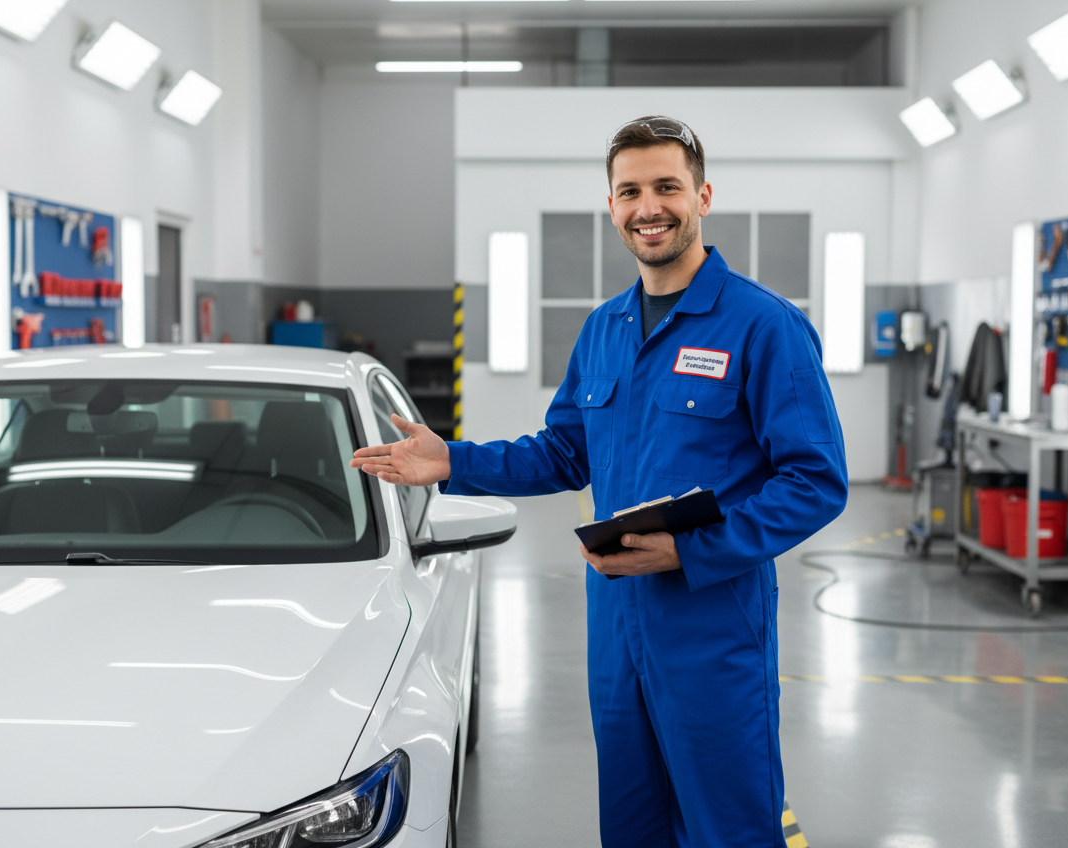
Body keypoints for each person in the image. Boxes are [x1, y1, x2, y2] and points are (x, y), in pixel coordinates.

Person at [351, 116, 848, 847]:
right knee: (632, 824)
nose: (650, 206)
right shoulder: (606, 329)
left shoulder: (762, 326)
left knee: (729, 827)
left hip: (713, 628)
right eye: (631, 191)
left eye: (668, 187)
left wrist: (691, 552)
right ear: (611, 207)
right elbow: (563, 453)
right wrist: (453, 461)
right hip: (616, 630)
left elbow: (815, 480)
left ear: (703, 195)